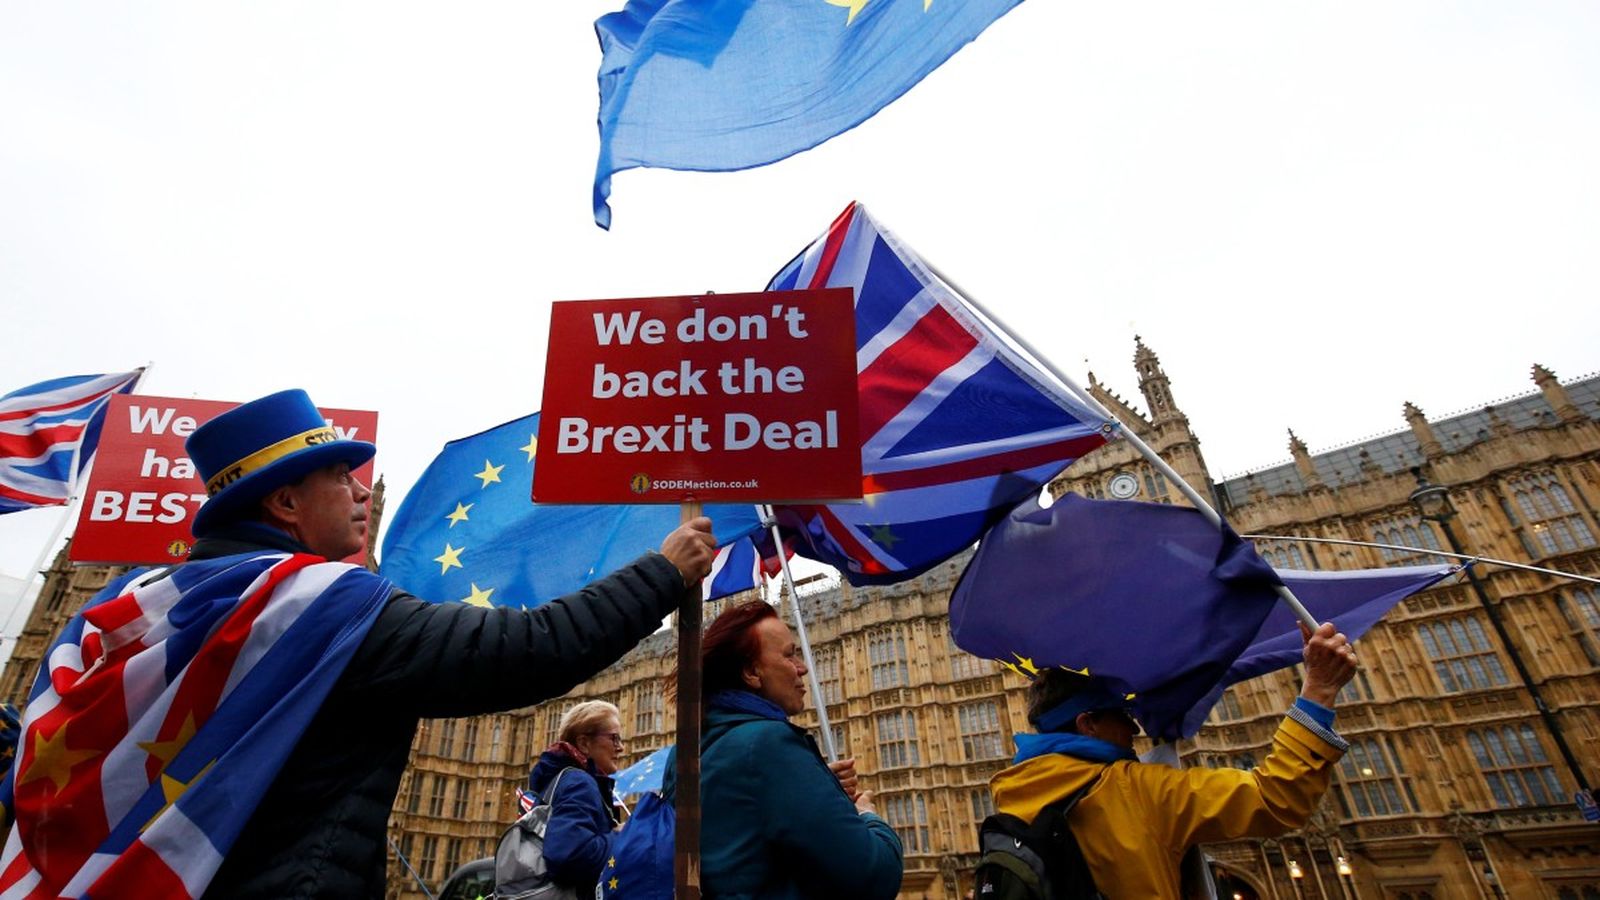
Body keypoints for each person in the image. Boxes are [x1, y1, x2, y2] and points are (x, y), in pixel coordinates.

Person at [0, 389, 717, 899]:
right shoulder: (319, 606)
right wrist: (662, 571)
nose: (361, 495)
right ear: (284, 504)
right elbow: (524, 650)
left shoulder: (119, 615)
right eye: (341, 479)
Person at [988, 621, 1360, 899]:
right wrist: (1319, 691)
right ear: (1089, 725)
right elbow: (1278, 796)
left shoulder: (1013, 799)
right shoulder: (1134, 789)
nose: (1133, 729)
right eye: (1122, 716)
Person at [663, 599, 903, 900]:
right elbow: (874, 878)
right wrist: (869, 817)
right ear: (752, 672)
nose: (802, 668)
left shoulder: (683, 752)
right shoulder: (769, 745)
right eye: (790, 656)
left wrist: (812, 785)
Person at [527, 700, 628, 895]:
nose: (621, 747)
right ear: (583, 743)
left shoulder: (557, 779)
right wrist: (620, 836)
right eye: (614, 738)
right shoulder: (579, 782)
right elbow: (568, 856)